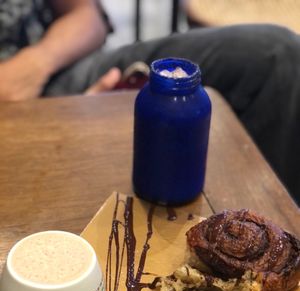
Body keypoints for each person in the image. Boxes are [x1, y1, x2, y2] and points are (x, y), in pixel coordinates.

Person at [0, 1, 299, 205]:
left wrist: (37, 62)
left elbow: (88, 16)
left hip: (60, 66)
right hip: (11, 117)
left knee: (274, 54)